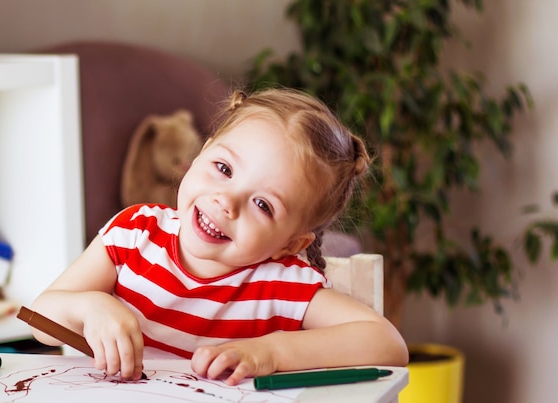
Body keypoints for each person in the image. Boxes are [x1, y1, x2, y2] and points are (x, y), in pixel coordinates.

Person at [30, 88, 408, 385]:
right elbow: (39, 319)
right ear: (201, 152)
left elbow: (387, 344)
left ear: (290, 245)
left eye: (263, 204)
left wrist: (272, 352)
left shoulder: (280, 284)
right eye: (223, 168)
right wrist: (90, 307)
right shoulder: (133, 236)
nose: (226, 201)